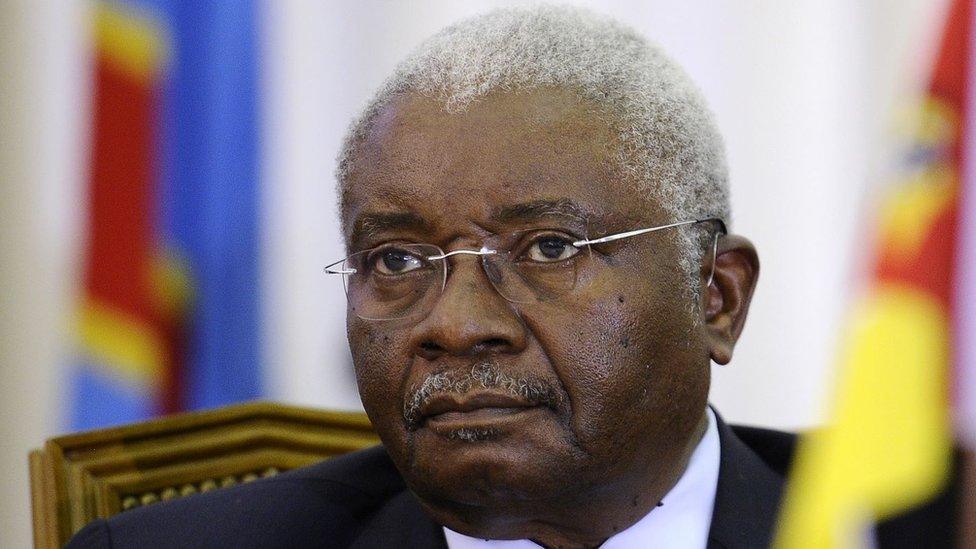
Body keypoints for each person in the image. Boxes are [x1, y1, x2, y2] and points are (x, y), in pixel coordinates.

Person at [67, 5, 956, 549]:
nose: (455, 323)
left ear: (715, 295)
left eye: (549, 249)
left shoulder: (906, 533)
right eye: (398, 261)